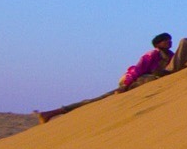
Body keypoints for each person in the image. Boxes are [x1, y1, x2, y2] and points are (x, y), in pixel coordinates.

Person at [34, 32, 175, 122]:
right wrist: (125, 86)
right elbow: (137, 70)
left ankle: (51, 113)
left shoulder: (170, 56)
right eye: (166, 40)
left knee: (99, 100)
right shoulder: (152, 54)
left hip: (146, 82)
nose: (169, 42)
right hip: (136, 81)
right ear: (158, 43)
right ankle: (53, 112)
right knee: (98, 100)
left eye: (170, 40)